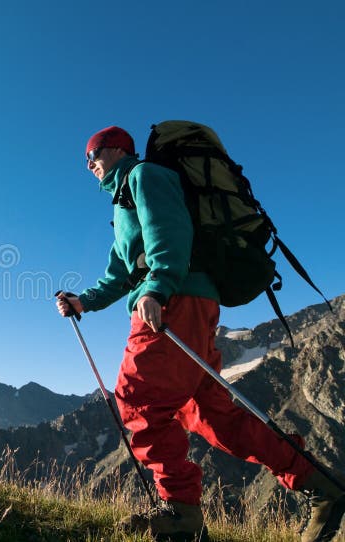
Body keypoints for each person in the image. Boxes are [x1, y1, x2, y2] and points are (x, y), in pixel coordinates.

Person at [55, 126, 345, 542]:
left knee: (137, 401)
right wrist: (84, 301)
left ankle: (180, 515)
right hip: (188, 302)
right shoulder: (123, 201)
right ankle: (319, 487)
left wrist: (157, 287)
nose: (89, 165)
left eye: (93, 154)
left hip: (173, 304)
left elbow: (170, 236)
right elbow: (121, 270)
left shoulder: (145, 176)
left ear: (118, 149)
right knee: (211, 416)